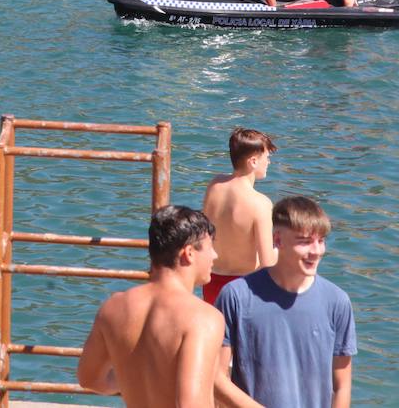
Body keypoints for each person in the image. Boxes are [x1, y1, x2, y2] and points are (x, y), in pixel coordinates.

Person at [214, 196, 356, 408]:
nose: (316, 251)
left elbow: (342, 385)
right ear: (278, 240)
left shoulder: (337, 302)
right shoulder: (236, 296)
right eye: (305, 242)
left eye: (321, 241)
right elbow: (217, 377)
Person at [77, 205, 224, 408]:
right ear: (189, 253)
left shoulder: (113, 307)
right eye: (210, 247)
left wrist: (133, 379)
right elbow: (191, 404)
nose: (215, 256)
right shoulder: (203, 317)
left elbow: (89, 378)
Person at [201, 129, 278, 306]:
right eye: (266, 157)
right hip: (243, 288)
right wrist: (282, 252)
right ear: (253, 161)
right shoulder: (260, 203)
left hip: (211, 281)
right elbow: (268, 264)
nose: (269, 162)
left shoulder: (214, 186)